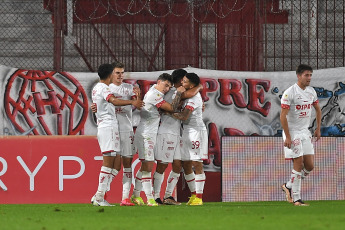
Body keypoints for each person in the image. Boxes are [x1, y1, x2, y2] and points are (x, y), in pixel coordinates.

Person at [91, 63, 144, 206]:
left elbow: (103, 104)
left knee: (118, 165)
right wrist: (132, 101)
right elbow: (113, 101)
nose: (120, 75)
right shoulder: (105, 88)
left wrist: (136, 96)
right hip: (109, 128)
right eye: (117, 73)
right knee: (109, 164)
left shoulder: (100, 88)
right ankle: (99, 197)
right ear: (111, 74)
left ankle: (111, 196)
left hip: (121, 129)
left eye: (122, 73)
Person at [131, 73, 185, 206]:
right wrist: (178, 92)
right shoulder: (154, 95)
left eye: (169, 87)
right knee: (148, 166)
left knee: (145, 166)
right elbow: (172, 108)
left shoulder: (156, 93)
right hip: (146, 134)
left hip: (151, 133)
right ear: (159, 81)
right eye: (165, 85)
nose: (167, 89)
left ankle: (135, 195)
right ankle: (150, 198)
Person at [152, 69, 203, 205]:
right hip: (166, 132)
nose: (183, 82)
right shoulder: (174, 93)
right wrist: (199, 86)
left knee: (177, 165)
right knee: (162, 165)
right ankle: (155, 196)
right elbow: (191, 92)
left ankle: (168, 196)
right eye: (183, 79)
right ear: (180, 80)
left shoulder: (178, 93)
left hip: (176, 133)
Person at [280, 64, 321, 206]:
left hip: (305, 132)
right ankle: (296, 198)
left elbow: (317, 109)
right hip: (292, 132)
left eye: (310, 75)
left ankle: (289, 186)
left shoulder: (311, 92)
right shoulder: (289, 92)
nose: (309, 78)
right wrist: (288, 137)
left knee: (309, 166)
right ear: (298, 76)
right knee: (298, 162)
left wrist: (318, 128)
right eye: (306, 75)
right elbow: (282, 117)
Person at [172, 73, 208, 206]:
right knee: (186, 163)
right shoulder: (189, 95)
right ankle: (193, 195)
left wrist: (167, 112)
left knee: (197, 163)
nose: (182, 82)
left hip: (196, 132)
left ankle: (199, 197)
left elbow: (184, 116)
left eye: (185, 81)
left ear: (191, 85)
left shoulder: (194, 98)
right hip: (187, 131)